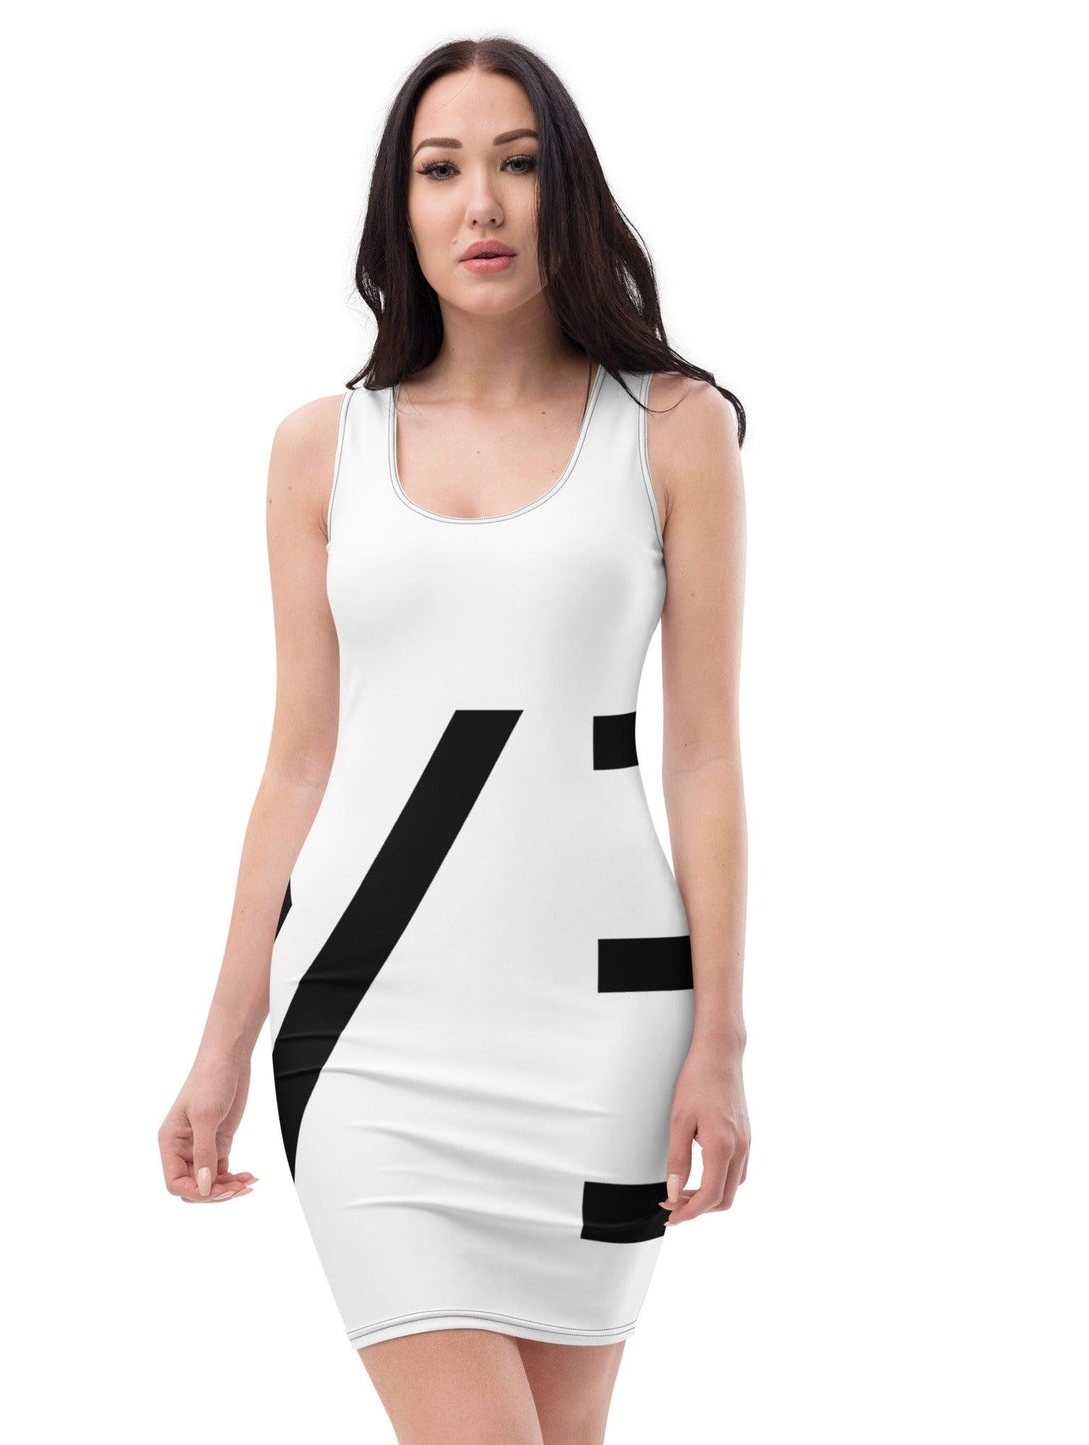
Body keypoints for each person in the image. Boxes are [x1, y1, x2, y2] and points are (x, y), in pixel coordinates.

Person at [158, 35, 749, 1443]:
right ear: (400, 207)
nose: (480, 202)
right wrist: (222, 1040)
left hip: (604, 1029)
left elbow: (704, 757)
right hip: (368, 1022)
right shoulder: (320, 448)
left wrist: (720, 1040)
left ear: (568, 191)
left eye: (517, 163)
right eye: (441, 169)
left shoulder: (673, 430)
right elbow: (300, 760)